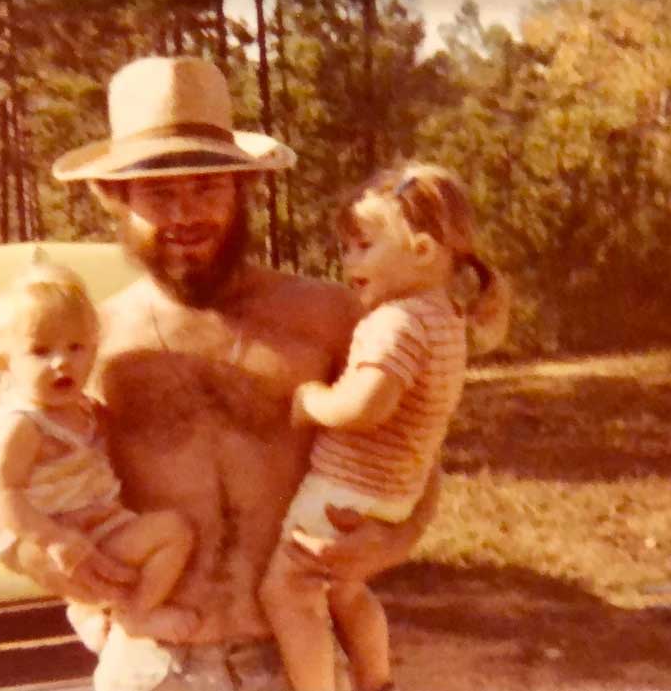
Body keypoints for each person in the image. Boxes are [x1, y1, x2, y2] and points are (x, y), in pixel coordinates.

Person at [50, 56, 442, 691]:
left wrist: (389, 545)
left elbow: (417, 454)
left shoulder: (327, 316)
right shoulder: (90, 344)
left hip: (293, 658)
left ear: (242, 189)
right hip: (154, 660)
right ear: (116, 198)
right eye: (160, 193)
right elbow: (30, 492)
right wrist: (75, 591)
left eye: (207, 187)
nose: (186, 214)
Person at [260, 164, 510, 691]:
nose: (347, 261)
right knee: (345, 590)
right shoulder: (446, 316)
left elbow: (368, 404)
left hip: (346, 484)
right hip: (394, 491)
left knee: (289, 589)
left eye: (363, 245)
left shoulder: (395, 322)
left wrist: (313, 402)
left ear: (421, 251)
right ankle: (375, 681)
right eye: (346, 247)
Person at [0, 263, 197, 640]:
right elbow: (1, 496)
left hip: (100, 524)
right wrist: (53, 539)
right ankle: (119, 614)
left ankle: (124, 611)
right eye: (40, 351)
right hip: (53, 533)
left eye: (75, 347)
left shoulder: (84, 410)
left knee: (174, 532)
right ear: (4, 362)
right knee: (101, 566)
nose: (62, 362)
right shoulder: (22, 424)